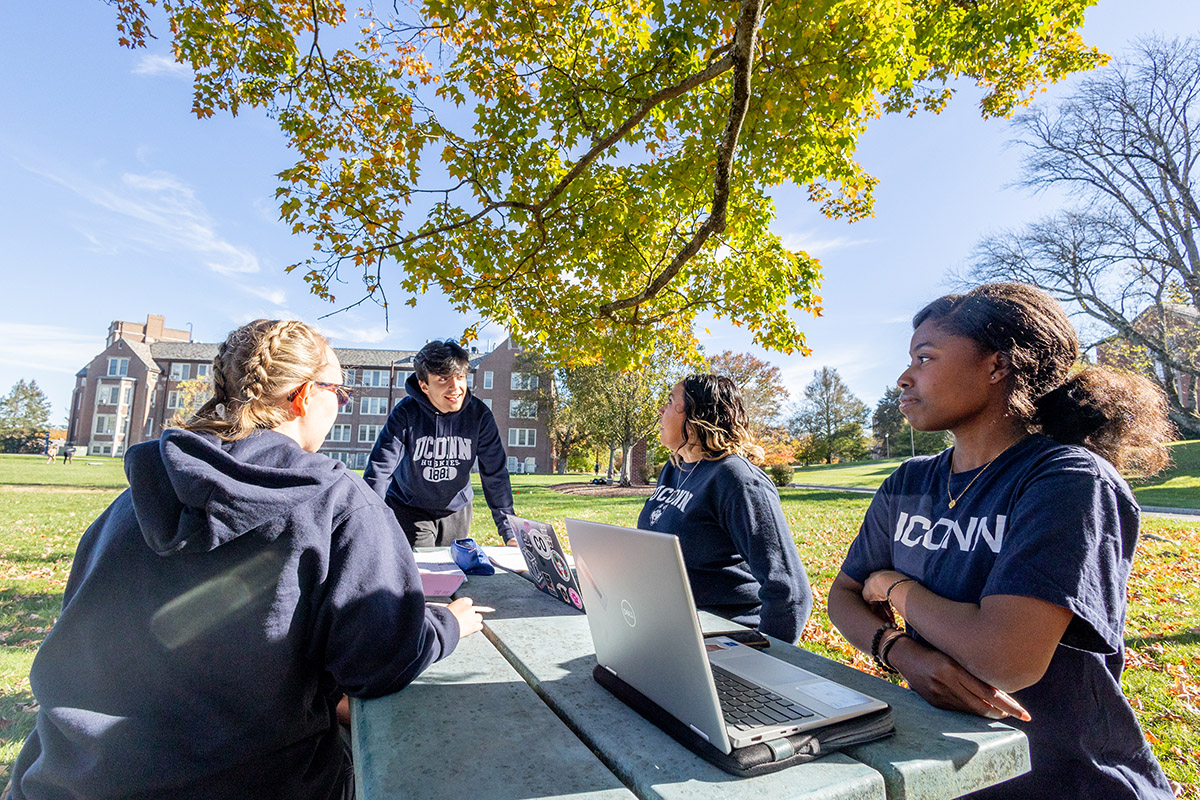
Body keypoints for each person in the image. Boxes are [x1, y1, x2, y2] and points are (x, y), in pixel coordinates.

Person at [6, 319, 488, 800]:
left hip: (61, 782)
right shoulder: (337, 502)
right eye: (339, 393)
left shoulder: (132, 502)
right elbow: (379, 663)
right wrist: (443, 626)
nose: (341, 408)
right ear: (303, 396)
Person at [827, 284, 1175, 799]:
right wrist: (899, 651)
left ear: (996, 366)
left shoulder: (1067, 479)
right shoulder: (909, 482)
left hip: (1063, 777)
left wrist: (893, 585)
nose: (904, 377)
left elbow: (1005, 659)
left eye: (925, 358)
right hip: (946, 767)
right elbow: (843, 596)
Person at [637, 374, 813, 644]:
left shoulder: (737, 479)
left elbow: (789, 591)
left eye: (671, 402)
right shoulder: (674, 469)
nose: (660, 410)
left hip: (723, 634)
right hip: (670, 628)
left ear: (697, 417)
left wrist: (766, 661)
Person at [364, 339, 516, 548]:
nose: (456, 387)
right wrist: (367, 521)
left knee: (453, 573)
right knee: (425, 571)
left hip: (457, 509)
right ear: (424, 385)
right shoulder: (406, 413)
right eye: (443, 379)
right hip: (411, 507)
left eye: (460, 377)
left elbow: (495, 473)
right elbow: (380, 469)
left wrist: (509, 531)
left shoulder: (479, 415)